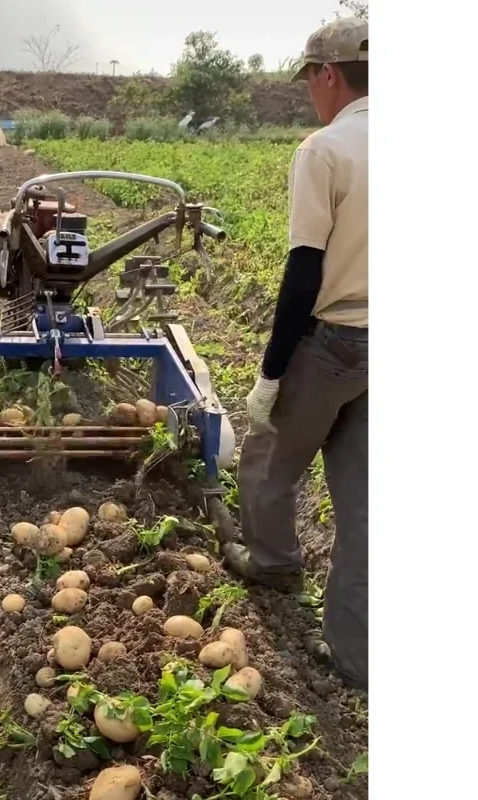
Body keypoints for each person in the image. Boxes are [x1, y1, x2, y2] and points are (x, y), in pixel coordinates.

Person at [221, 17, 368, 690]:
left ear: (328, 74)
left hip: (332, 340)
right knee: (368, 504)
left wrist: (272, 372)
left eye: (310, 77)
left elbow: (304, 274)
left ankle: (275, 563)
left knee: (268, 461)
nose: (310, 90)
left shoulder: (327, 149)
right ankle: (356, 656)